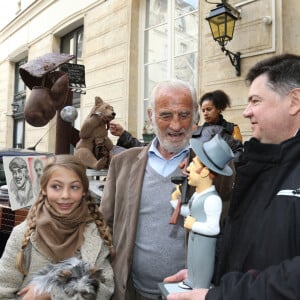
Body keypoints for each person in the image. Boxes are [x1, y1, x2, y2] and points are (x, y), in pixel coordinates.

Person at [163, 53, 300, 300]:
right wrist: (206, 275)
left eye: (255, 101)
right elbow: (244, 245)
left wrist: (220, 296)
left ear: (294, 101)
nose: (246, 112)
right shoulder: (258, 166)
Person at [100, 78, 199, 300]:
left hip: (190, 295)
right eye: (166, 115)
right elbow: (104, 225)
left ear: (195, 116)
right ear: (151, 115)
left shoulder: (212, 168)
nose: (176, 125)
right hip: (132, 292)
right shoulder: (122, 163)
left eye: (184, 115)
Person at [0, 154, 115, 300]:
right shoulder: (23, 234)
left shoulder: (95, 234)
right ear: (44, 189)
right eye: (56, 186)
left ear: (84, 191)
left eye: (74, 187)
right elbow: (3, 291)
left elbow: (106, 289)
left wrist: (52, 293)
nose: (65, 195)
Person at [166, 134, 234, 294]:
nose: (188, 168)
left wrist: (193, 224)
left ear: (204, 172)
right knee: (193, 261)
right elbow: (190, 212)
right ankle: (192, 280)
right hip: (195, 239)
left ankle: (200, 284)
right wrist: (175, 200)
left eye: (193, 164)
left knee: (203, 263)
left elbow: (213, 228)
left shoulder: (212, 200)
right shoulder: (197, 195)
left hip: (205, 242)